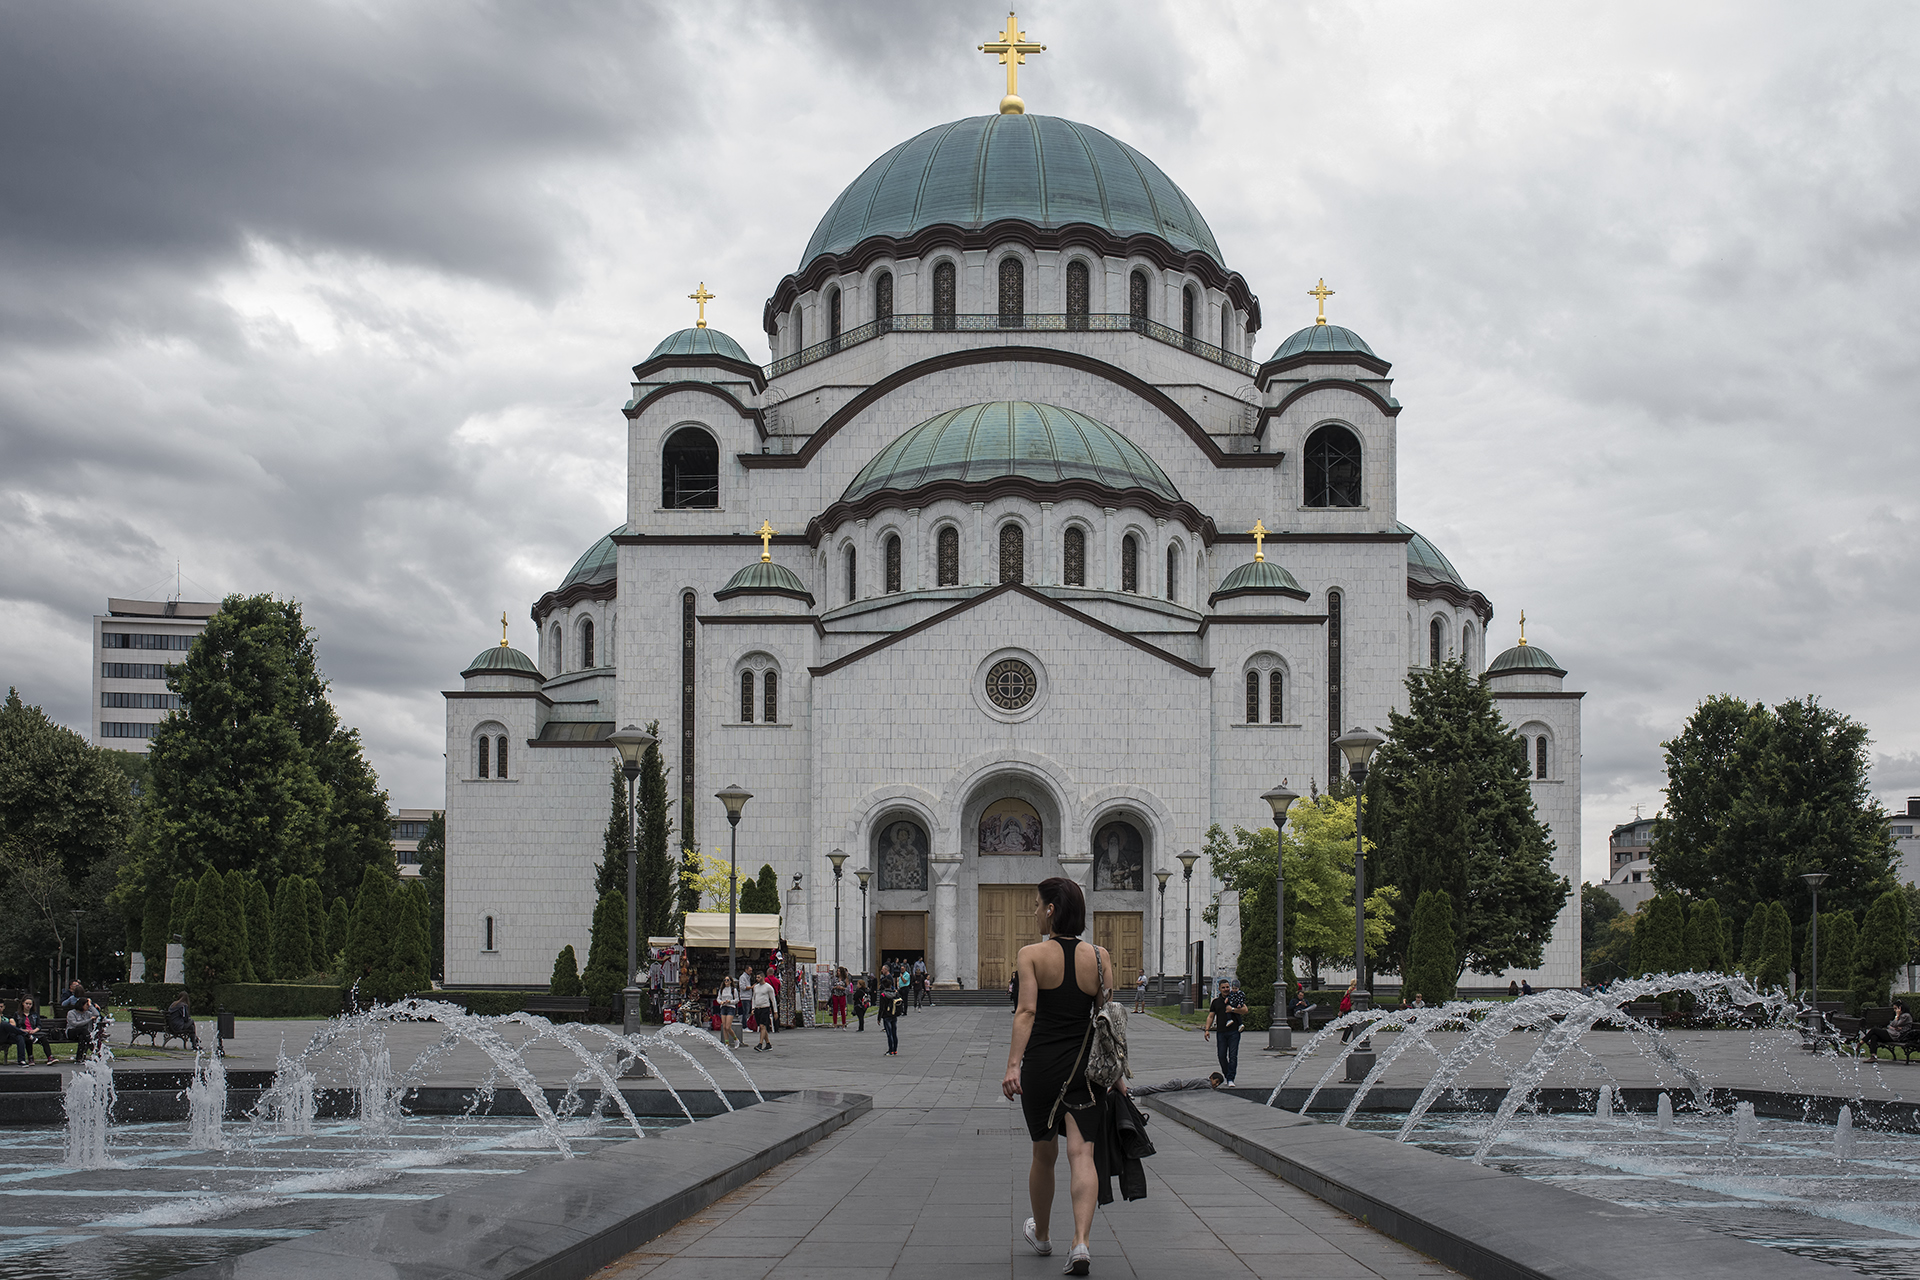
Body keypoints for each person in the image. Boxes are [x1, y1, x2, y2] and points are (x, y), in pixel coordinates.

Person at [1003, 876, 1111, 1277]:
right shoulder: (1100, 957)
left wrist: (1013, 1065)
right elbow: (1107, 1022)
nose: (1033, 911)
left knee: (1043, 1154)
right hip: (1086, 1070)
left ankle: (1044, 1234)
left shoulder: (1031, 954)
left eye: (1036, 905)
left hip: (1043, 1068)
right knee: (1082, 1154)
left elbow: (1026, 1012)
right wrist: (1116, 1074)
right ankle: (1080, 1242)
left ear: (1051, 909)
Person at [1202, 979, 1247, 1086]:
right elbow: (1211, 1016)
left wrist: (1232, 1009)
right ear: (1219, 989)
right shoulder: (1216, 1002)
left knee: (1233, 1055)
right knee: (1221, 1055)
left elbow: (1245, 1010)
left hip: (1234, 1032)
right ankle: (1227, 1075)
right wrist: (1207, 1030)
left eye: (1227, 987)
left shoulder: (1234, 998)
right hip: (1221, 1032)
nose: (1226, 989)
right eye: (1223, 987)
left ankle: (1231, 1078)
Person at [15, 997, 54, 1065]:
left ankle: (50, 1057)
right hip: (23, 1033)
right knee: (27, 1039)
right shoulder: (17, 1014)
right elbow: (15, 1027)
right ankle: (30, 1057)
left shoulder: (34, 1014)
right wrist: (24, 1030)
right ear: (23, 1004)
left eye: (30, 1004)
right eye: (26, 1003)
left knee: (44, 1039)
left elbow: (39, 1025)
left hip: (33, 1032)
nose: (28, 1005)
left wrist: (34, 1031)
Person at [1126, 1072, 1223, 1095]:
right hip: (1176, 1085)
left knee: (1154, 1087)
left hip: (1177, 1084)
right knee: (1154, 1089)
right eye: (1216, 1081)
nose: (1216, 1085)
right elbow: (1209, 1090)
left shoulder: (1204, 1081)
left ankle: (1132, 1090)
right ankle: (1132, 1091)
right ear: (1211, 1078)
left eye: (1219, 1084)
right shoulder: (1207, 1083)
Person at [751, 971, 776, 1052]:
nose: (757, 979)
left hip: (765, 1008)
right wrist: (753, 1008)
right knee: (762, 1027)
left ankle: (760, 1044)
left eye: (758, 977)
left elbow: (773, 1000)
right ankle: (768, 1043)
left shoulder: (768, 987)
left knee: (762, 1026)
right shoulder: (756, 987)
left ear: (762, 977)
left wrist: (775, 1011)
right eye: (756, 977)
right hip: (757, 1008)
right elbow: (754, 998)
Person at [878, 978, 902, 1055]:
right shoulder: (895, 993)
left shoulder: (883, 995)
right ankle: (895, 1050)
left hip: (886, 1015)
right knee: (894, 1033)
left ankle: (890, 1050)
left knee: (889, 1033)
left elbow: (881, 1008)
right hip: (894, 1014)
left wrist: (879, 1018)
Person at [717, 978, 740, 1049]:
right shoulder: (721, 990)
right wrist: (721, 1002)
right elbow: (718, 998)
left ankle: (736, 1039)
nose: (726, 981)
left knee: (728, 1026)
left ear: (730, 981)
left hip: (731, 1007)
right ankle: (727, 1043)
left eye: (727, 980)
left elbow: (737, 1000)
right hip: (723, 1007)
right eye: (725, 980)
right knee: (724, 1027)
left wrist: (730, 1001)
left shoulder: (733, 990)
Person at [1338, 980, 1360, 1044]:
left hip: (1347, 1009)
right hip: (1352, 1009)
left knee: (1350, 1025)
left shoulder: (1348, 990)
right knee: (1352, 1025)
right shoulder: (1355, 991)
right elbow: (1356, 1001)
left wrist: (1341, 1011)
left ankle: (1345, 1039)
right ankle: (1345, 1040)